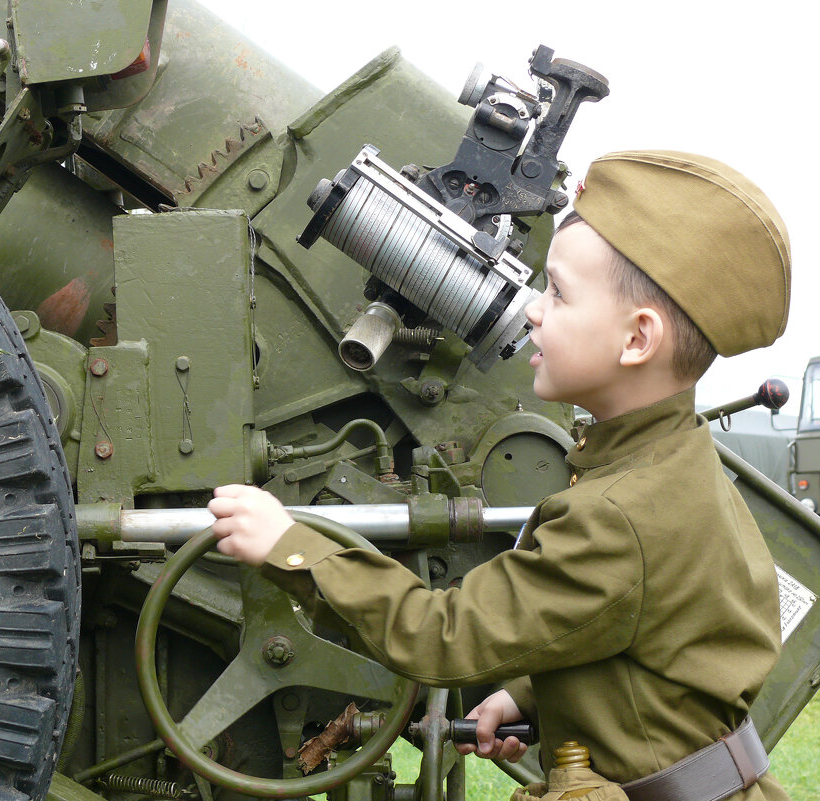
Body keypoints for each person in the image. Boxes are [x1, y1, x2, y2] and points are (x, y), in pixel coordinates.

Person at [208, 151, 791, 800]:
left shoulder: (619, 514)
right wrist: (526, 695)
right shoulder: (675, 464)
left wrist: (292, 547)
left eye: (559, 293)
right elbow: (658, 665)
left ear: (636, 340)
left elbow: (439, 635)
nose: (534, 311)